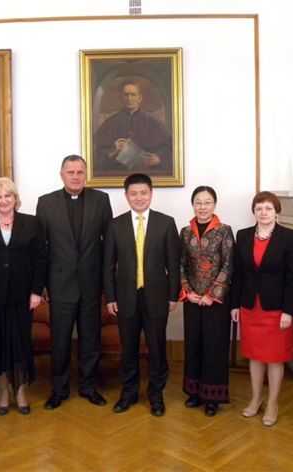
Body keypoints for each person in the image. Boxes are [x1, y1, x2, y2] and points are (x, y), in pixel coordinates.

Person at [36, 155, 113, 410]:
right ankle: (59, 390)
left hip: (91, 283)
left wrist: (107, 284)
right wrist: (42, 283)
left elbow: (108, 245)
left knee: (91, 340)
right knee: (60, 341)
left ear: (86, 174)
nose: (76, 176)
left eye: (80, 172)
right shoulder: (46, 203)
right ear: (62, 175)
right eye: (71, 172)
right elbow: (41, 248)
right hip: (59, 284)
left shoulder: (101, 200)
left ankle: (89, 387)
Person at [103, 173, 180, 416]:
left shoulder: (166, 223)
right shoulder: (115, 225)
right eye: (134, 193)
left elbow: (173, 264)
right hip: (125, 297)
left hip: (157, 297)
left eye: (143, 193)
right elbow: (108, 265)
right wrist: (111, 297)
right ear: (126, 196)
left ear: (151, 194)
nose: (139, 198)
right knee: (129, 348)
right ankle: (129, 392)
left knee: (157, 348)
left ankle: (156, 394)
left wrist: (173, 296)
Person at [0, 177, 46, 415]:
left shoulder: (31, 223)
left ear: (15, 198)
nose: (3, 201)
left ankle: (21, 391)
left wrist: (36, 291)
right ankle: (4, 392)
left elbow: (40, 260)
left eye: (8, 196)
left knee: (19, 345)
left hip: (22, 297)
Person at [230, 191, 293, 427]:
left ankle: (272, 402)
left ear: (277, 212)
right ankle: (256, 398)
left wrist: (289, 311)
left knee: (274, 357)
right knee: (254, 355)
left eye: (268, 208)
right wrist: (235, 304)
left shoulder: (290, 237)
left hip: (277, 309)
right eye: (259, 208)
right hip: (250, 307)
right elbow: (238, 274)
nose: (263, 213)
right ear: (254, 211)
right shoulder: (243, 236)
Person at [179, 186, 234, 417]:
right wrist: (187, 292)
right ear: (193, 205)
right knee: (193, 344)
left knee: (214, 347)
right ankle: (194, 393)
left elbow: (228, 265)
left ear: (214, 204)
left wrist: (212, 295)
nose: (203, 207)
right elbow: (180, 264)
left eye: (207, 202)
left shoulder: (224, 230)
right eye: (198, 202)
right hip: (192, 299)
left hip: (216, 302)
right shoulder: (185, 232)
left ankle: (212, 397)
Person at [93, 82, 172, 175]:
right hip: (117, 174)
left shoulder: (153, 122)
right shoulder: (110, 123)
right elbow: (95, 157)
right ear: (121, 98)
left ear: (140, 98)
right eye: (125, 95)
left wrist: (159, 159)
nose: (129, 98)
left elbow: (171, 150)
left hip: (147, 174)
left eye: (133, 94)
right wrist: (112, 151)